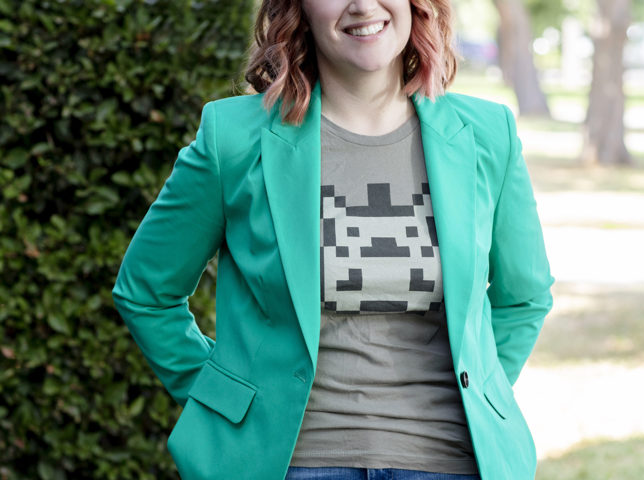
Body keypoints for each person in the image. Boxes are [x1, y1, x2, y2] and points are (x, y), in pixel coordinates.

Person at [111, 0, 554, 479]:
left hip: (449, 461)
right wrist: (225, 398)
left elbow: (524, 297)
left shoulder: (488, 134)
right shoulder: (233, 139)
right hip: (291, 464)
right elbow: (147, 292)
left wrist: (481, 394)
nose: (363, 5)